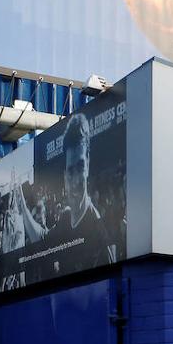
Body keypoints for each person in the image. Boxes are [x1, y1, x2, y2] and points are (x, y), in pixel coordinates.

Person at [15, 113, 117, 275]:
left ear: (88, 164)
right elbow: (41, 239)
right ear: (64, 175)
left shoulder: (99, 233)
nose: (75, 181)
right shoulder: (66, 218)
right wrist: (20, 197)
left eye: (80, 167)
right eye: (70, 171)